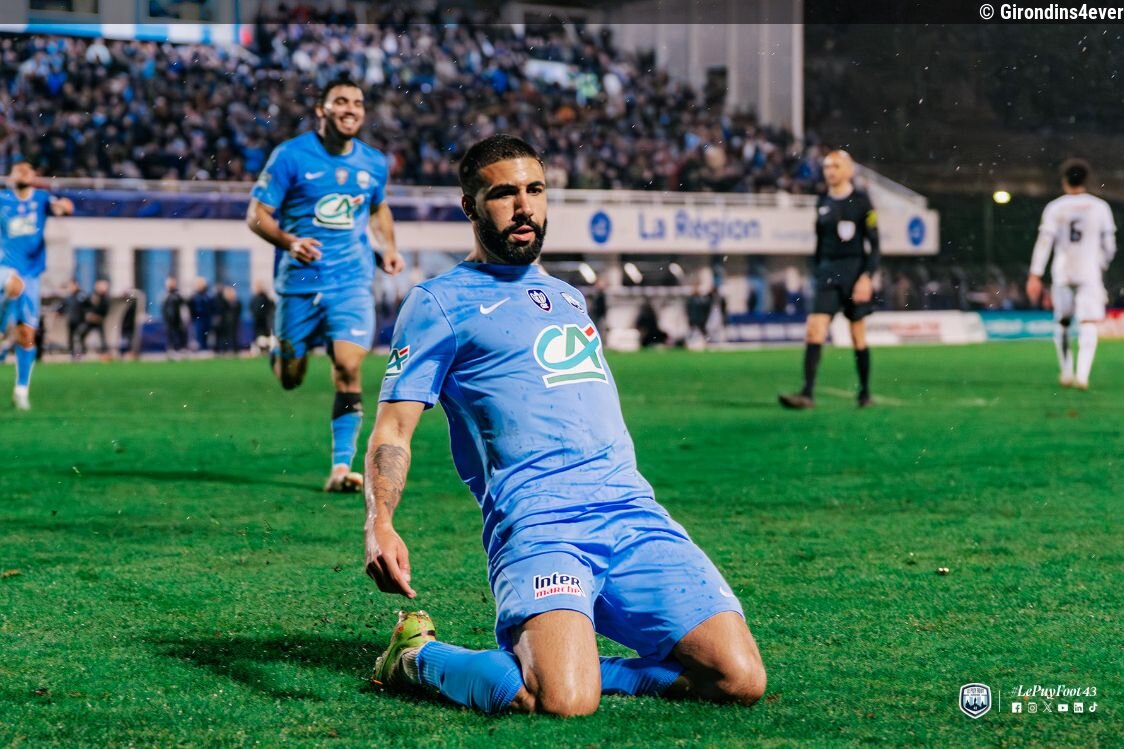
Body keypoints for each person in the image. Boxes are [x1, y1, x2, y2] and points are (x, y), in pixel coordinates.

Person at [364, 135, 765, 717]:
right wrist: (380, 521)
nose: (524, 206)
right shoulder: (438, 303)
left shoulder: (568, 296)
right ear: (470, 206)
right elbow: (393, 430)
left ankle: (584, 667)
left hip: (633, 513)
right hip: (540, 523)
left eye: (535, 190)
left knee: (739, 679)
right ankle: (415, 656)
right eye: (504, 194)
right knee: (562, 701)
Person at [247, 73, 404, 492]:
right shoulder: (291, 156)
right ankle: (280, 349)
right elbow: (256, 215)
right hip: (300, 282)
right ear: (322, 109)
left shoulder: (373, 162)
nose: (351, 109)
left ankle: (340, 468)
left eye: (357, 103)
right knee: (290, 377)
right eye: (341, 102)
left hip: (351, 282)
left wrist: (388, 247)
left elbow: (378, 208)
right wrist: (289, 241)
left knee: (348, 367)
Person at [779, 150, 879, 409]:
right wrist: (817, 270)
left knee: (857, 334)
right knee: (815, 328)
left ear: (849, 170)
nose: (830, 171)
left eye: (835, 166)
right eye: (826, 167)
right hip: (828, 273)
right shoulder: (822, 202)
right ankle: (807, 394)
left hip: (854, 271)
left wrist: (866, 277)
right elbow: (820, 242)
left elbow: (875, 245)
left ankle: (865, 393)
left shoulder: (862, 202)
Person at [1026, 158, 1117, 390]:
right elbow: (1110, 246)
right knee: (1088, 322)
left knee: (1063, 322)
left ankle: (1066, 372)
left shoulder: (1055, 207)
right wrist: (1100, 264)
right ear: (1087, 179)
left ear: (1064, 180)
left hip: (1063, 271)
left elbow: (1044, 242)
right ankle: (1082, 375)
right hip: (1089, 272)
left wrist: (1035, 274)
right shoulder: (1100, 207)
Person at [0, 157, 75, 409]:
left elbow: (60, 208)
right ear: (11, 176)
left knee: (27, 336)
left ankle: (21, 390)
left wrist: (64, 207)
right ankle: (3, 331)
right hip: (5, 269)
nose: (22, 173)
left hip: (31, 275)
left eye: (27, 169)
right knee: (13, 284)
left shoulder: (41, 199)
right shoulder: (2, 199)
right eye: (17, 170)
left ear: (33, 176)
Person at [77, 279, 111, 359]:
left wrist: (97, 317)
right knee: (81, 334)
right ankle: (83, 351)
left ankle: (104, 353)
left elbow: (105, 311)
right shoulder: (91, 296)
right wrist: (87, 314)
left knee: (102, 338)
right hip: (90, 321)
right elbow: (84, 307)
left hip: (99, 321)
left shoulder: (105, 299)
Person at [57, 279, 87, 357]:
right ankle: (72, 353)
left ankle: (82, 352)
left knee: (80, 336)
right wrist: (59, 312)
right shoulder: (68, 297)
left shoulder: (82, 295)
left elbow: (88, 306)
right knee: (70, 337)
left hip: (81, 320)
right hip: (71, 320)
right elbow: (63, 307)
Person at [162, 276, 188, 355]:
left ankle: (181, 348)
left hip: (177, 318)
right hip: (169, 319)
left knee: (180, 333)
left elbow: (184, 306)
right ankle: (171, 348)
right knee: (170, 333)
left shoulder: (178, 295)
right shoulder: (165, 295)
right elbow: (163, 308)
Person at [249, 280, 276, 354]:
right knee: (260, 337)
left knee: (264, 337)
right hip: (259, 321)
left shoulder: (264, 298)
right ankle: (261, 350)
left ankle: (265, 350)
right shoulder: (257, 298)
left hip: (264, 321)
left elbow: (268, 309)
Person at [188, 277, 213, 351]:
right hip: (198, 317)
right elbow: (191, 307)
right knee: (199, 333)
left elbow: (211, 307)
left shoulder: (207, 296)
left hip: (206, 317)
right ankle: (200, 347)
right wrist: (193, 316)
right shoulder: (194, 296)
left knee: (206, 332)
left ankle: (205, 347)